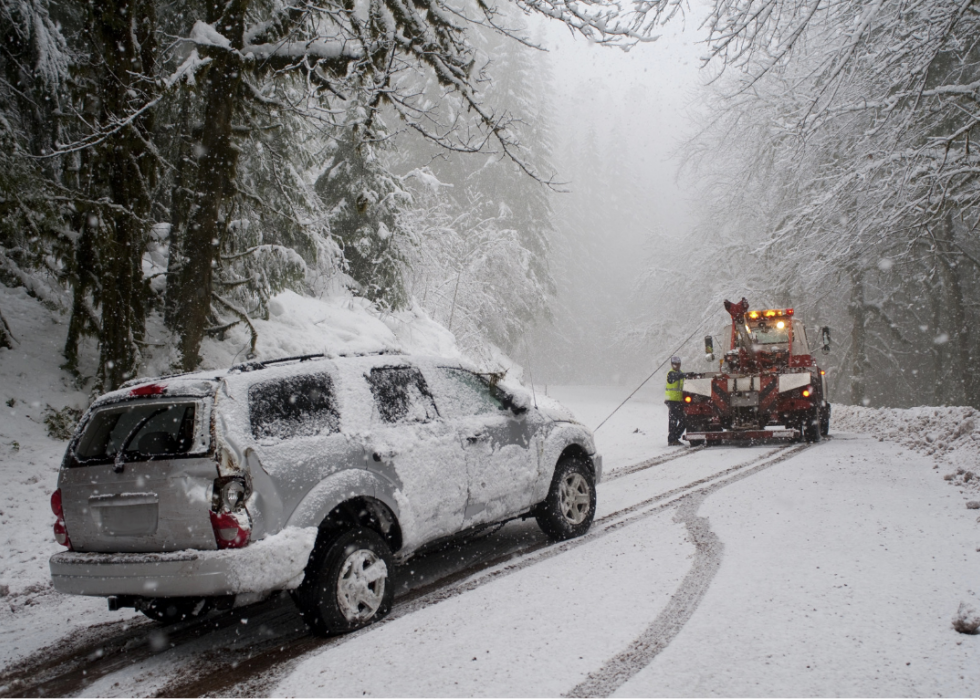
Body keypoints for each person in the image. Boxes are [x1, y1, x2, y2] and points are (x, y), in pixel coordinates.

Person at [665, 356, 686, 445]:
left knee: (684, 420)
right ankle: (672, 439)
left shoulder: (681, 373)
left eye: (677, 364)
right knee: (674, 420)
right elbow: (672, 378)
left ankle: (674, 437)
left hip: (679, 401)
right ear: (671, 364)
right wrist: (683, 375)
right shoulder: (671, 373)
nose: (676, 366)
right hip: (671, 400)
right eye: (674, 364)